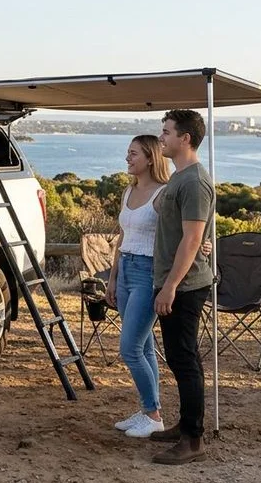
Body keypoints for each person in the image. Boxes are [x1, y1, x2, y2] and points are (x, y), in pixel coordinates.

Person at [149, 109, 215, 465]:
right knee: (181, 358)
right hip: (174, 280)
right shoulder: (180, 177)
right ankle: (187, 425)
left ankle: (193, 440)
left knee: (184, 360)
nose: (161, 137)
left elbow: (192, 241)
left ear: (185, 138)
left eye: (166, 131)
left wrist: (170, 286)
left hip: (186, 285)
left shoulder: (193, 182)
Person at [105, 135, 170, 439]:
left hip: (148, 273)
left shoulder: (164, 194)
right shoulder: (128, 191)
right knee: (145, 347)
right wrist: (114, 277)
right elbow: (122, 236)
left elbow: (184, 233)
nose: (127, 159)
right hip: (127, 270)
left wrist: (204, 246)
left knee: (130, 348)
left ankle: (154, 414)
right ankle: (148, 412)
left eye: (133, 154)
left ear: (150, 158)